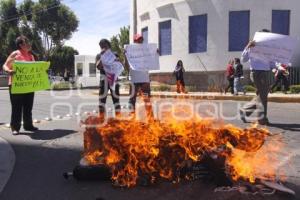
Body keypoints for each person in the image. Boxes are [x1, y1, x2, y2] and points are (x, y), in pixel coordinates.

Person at [2, 35, 38, 135]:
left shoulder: (31, 56)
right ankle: (15, 128)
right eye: (27, 42)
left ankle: (28, 125)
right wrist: (8, 70)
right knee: (16, 107)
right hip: (15, 85)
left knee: (28, 106)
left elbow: (34, 69)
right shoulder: (15, 54)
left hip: (29, 85)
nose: (29, 44)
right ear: (21, 45)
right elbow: (5, 65)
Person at [239, 29, 274, 125]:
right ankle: (262, 119)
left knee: (261, 94)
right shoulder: (253, 45)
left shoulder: (268, 48)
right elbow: (243, 59)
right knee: (263, 96)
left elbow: (271, 63)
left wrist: (278, 67)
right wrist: (248, 47)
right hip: (257, 73)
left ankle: (245, 110)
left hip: (266, 73)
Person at [124, 34, 154, 119]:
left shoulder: (146, 51)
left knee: (146, 99)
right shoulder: (129, 51)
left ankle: (150, 119)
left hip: (144, 80)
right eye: (138, 40)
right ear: (134, 41)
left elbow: (152, 61)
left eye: (141, 40)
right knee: (132, 99)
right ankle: (132, 117)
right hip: (134, 79)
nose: (140, 41)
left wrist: (155, 53)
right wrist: (125, 56)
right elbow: (126, 67)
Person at [96, 39, 122, 117]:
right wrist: (102, 56)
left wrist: (117, 61)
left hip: (113, 79)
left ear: (108, 45)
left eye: (104, 45)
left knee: (116, 101)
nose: (102, 47)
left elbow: (118, 66)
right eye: (101, 46)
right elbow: (98, 66)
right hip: (104, 80)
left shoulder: (114, 54)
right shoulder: (99, 55)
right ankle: (101, 118)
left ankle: (118, 118)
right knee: (102, 102)